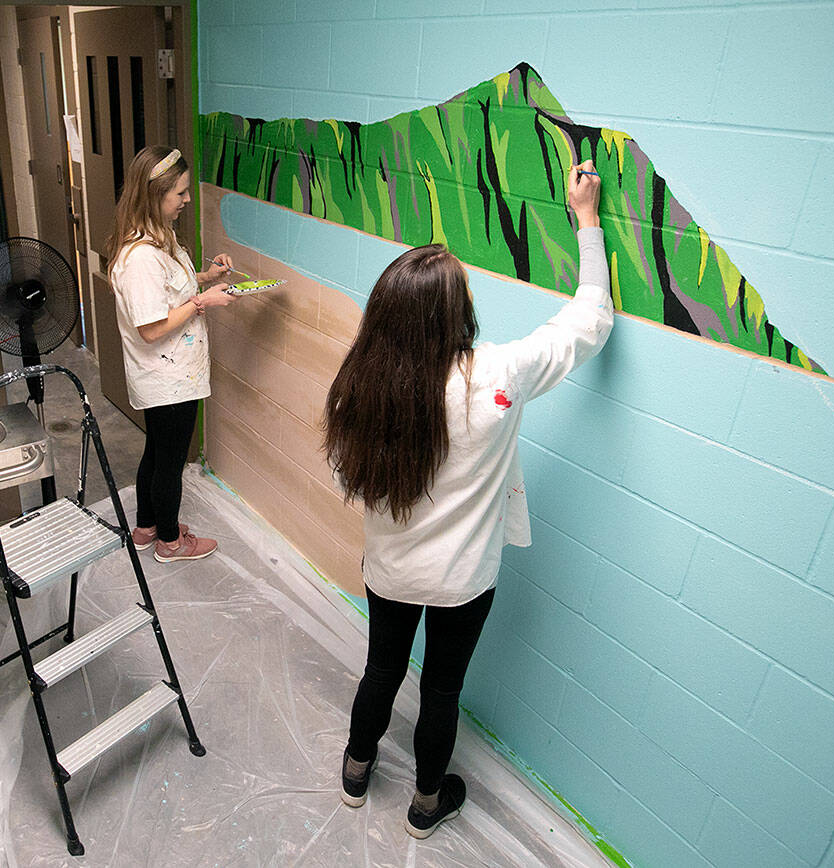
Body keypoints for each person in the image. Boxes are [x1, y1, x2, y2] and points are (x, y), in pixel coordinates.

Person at [323, 161, 613, 838]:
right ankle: (427, 805)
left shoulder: (357, 387)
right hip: (464, 580)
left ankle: (356, 772)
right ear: (458, 314)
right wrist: (588, 220)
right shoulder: (499, 376)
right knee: (442, 690)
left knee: (382, 667)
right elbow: (590, 320)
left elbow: (347, 478)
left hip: (389, 569)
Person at [106, 145, 239, 563]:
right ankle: (169, 541)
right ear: (155, 194)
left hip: (171, 374)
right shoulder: (141, 257)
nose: (186, 200)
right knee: (170, 461)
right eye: (179, 193)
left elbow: (167, 292)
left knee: (157, 452)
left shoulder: (156, 239)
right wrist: (204, 301)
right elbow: (151, 328)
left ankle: (146, 527)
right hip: (167, 376)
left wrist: (204, 277)